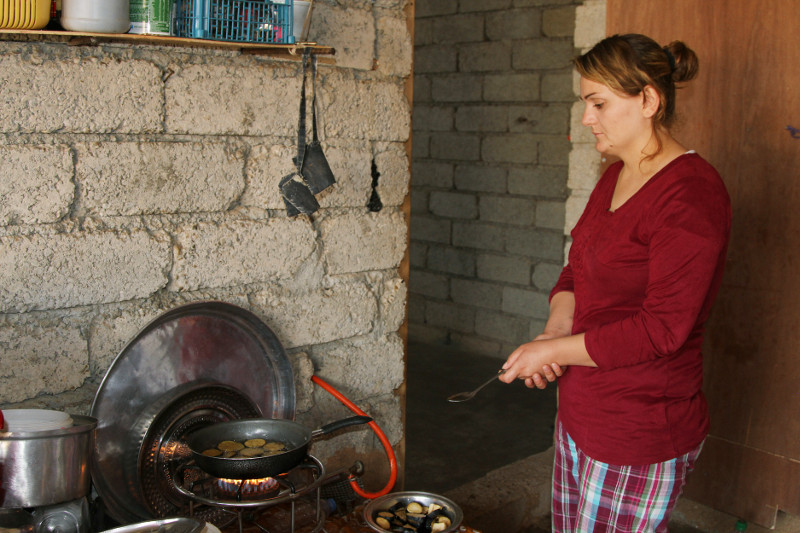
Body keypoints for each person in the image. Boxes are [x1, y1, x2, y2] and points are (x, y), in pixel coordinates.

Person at [499, 34, 732, 532]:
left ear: (649, 100)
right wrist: (552, 337)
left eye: (599, 103)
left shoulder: (690, 195)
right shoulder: (614, 176)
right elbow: (576, 269)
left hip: (639, 429)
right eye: (586, 103)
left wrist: (555, 353)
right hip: (583, 414)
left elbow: (662, 330)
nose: (588, 119)